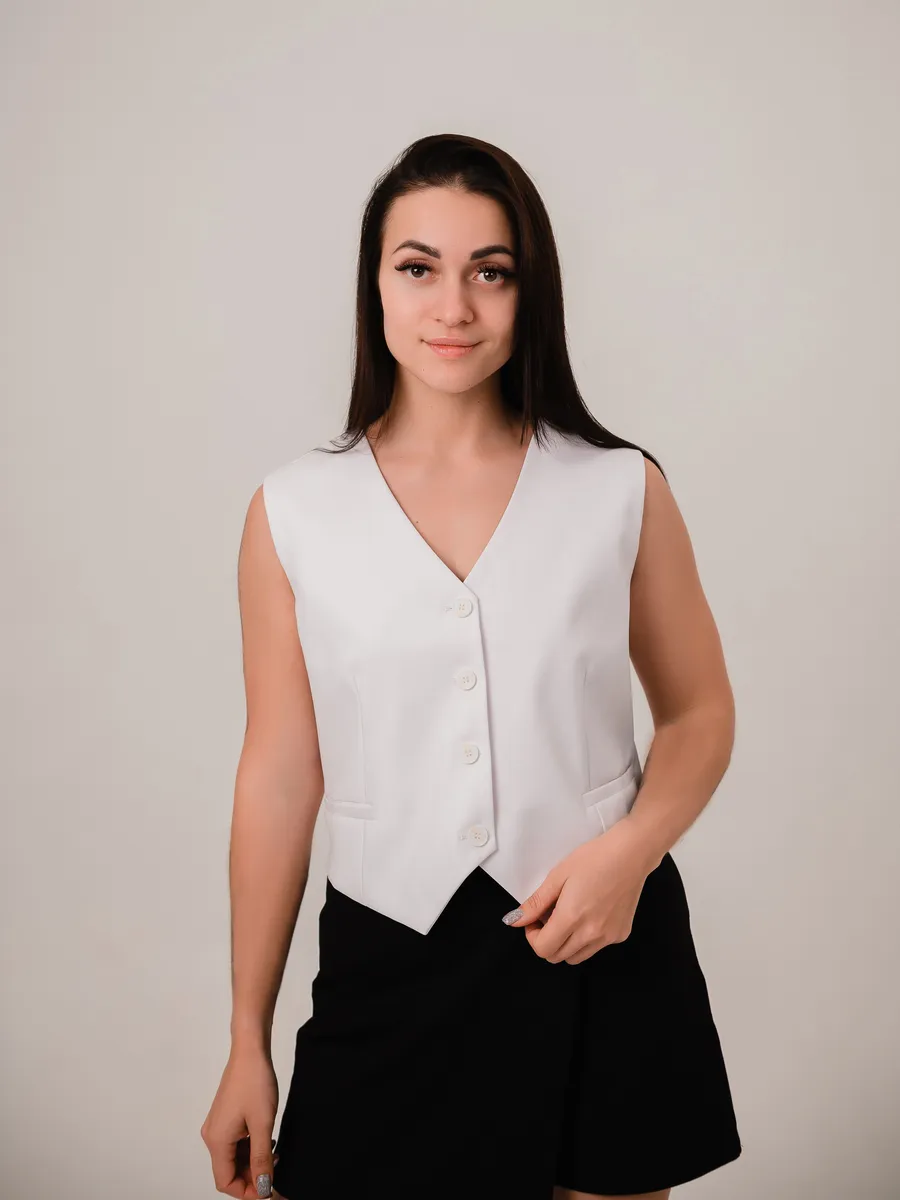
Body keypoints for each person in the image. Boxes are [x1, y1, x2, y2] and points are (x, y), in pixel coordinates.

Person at [200, 133, 743, 1200]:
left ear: (530, 290)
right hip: (390, 955)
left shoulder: (620, 488)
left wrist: (629, 856)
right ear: (375, 285)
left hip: (601, 944)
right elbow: (279, 775)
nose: (453, 306)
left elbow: (701, 714)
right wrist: (246, 1041)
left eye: (490, 272)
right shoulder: (292, 513)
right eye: (419, 267)